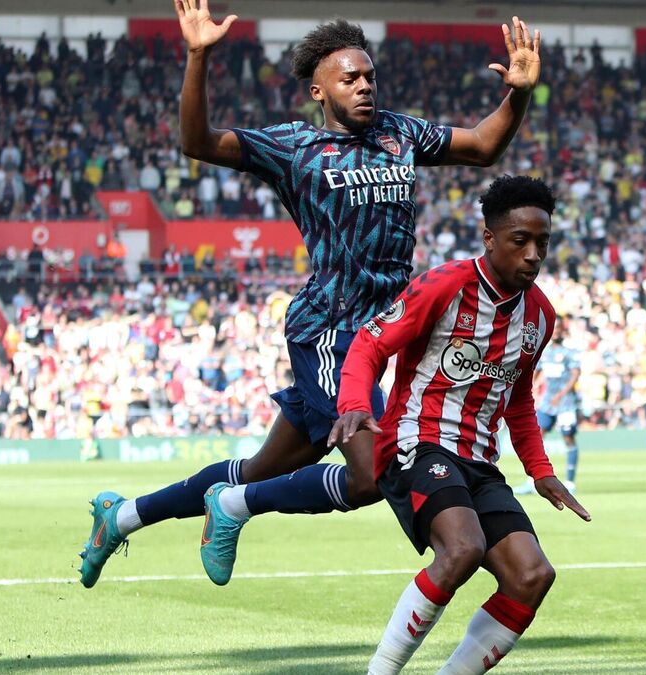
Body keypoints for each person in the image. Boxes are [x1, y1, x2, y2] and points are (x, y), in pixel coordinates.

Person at [79, 5, 544, 587]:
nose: (365, 86)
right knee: (372, 473)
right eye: (350, 79)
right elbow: (198, 141)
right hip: (331, 332)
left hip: (384, 336)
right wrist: (198, 57)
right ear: (319, 91)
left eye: (370, 76)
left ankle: (120, 516)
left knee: (258, 470)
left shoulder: (398, 134)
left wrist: (519, 93)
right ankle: (232, 508)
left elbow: (482, 146)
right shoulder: (293, 147)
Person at [320, 176, 589, 674]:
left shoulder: (540, 316)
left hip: (479, 459)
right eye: (520, 241)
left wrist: (541, 471)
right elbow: (370, 342)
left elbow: (518, 399)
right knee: (463, 548)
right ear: (490, 238)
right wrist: (355, 401)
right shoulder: (445, 285)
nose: (533, 255)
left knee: (532, 575)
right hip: (417, 440)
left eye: (543, 243)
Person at [516, 318, 581, 494]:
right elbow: (536, 372)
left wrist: (561, 395)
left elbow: (575, 375)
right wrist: (533, 388)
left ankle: (570, 482)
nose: (557, 332)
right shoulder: (545, 352)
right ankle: (532, 481)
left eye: (560, 329)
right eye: (555, 329)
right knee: (537, 437)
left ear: (564, 331)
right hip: (547, 403)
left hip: (566, 403)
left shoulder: (570, 353)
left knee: (568, 438)